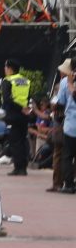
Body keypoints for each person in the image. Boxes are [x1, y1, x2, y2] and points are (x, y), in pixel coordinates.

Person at [0, 59, 32, 176]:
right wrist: (24, 108)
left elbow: (7, 99)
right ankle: (23, 166)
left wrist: (19, 108)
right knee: (23, 140)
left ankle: (19, 168)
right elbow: (27, 97)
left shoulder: (7, 81)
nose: (4, 69)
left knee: (15, 142)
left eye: (5, 67)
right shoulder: (25, 80)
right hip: (24, 115)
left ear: (10, 69)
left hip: (13, 114)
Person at [52, 59, 76, 193]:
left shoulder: (64, 82)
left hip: (71, 125)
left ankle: (68, 184)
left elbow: (60, 102)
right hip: (71, 123)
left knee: (67, 156)